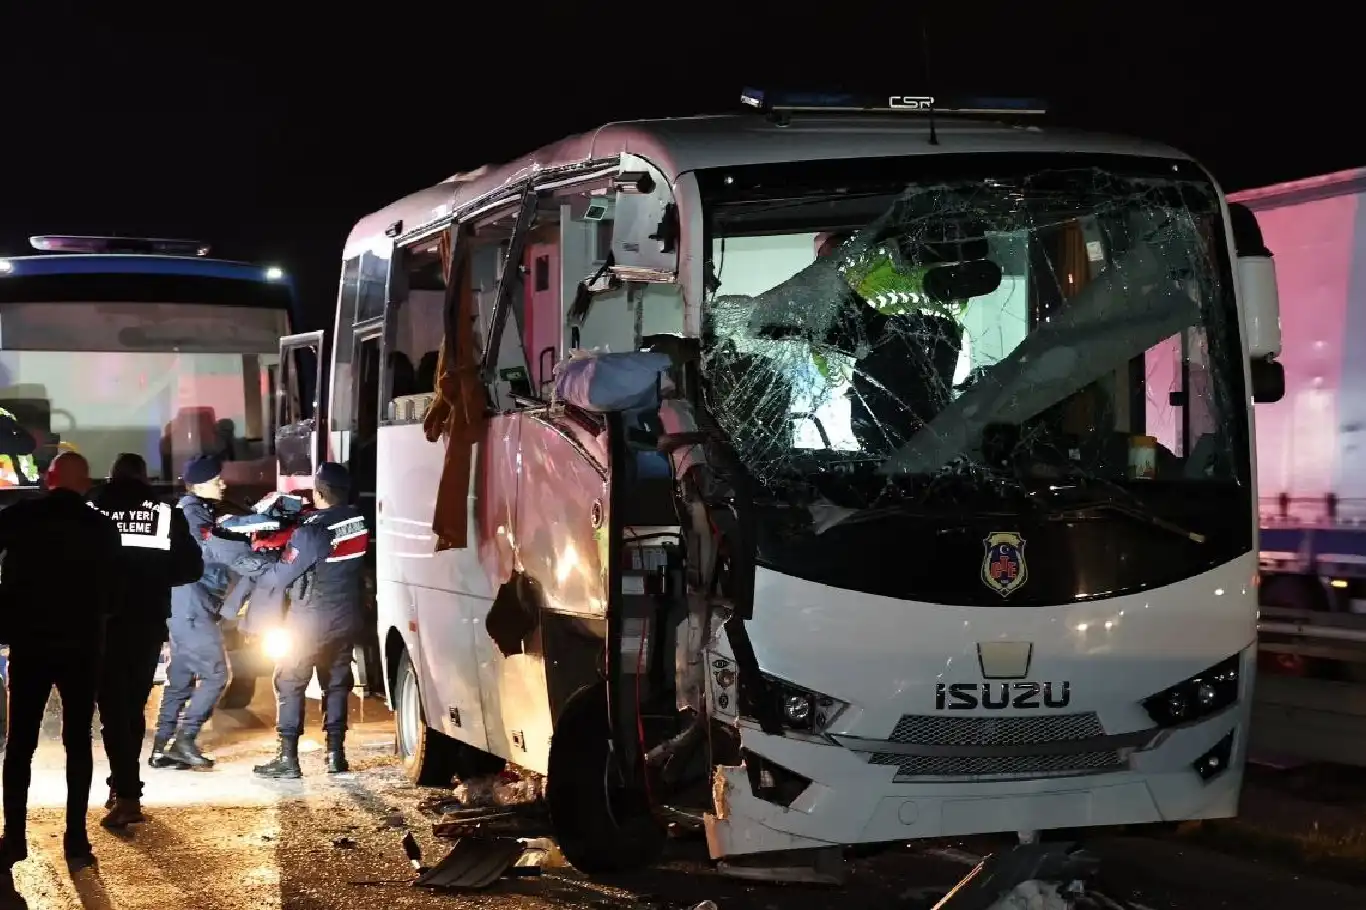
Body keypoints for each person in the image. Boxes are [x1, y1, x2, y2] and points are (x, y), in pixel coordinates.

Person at [0, 452, 122, 871]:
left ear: (49, 479)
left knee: (20, 745)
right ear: (85, 483)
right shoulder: (101, 527)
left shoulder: (21, 517)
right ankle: (76, 838)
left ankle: (13, 837)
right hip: (82, 645)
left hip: (30, 642)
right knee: (77, 743)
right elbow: (113, 587)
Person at [90, 453, 204, 828]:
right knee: (133, 708)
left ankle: (124, 792)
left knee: (111, 711)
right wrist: (154, 577)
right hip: (146, 623)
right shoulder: (166, 514)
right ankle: (124, 787)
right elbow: (191, 568)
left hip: (101, 623)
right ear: (143, 478)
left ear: (111, 476)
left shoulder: (92, 510)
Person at [247, 463, 369, 779]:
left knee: (289, 681)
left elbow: (282, 574)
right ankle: (335, 755)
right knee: (337, 684)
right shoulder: (357, 520)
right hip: (346, 617)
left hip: (310, 621)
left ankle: (287, 758)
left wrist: (258, 561)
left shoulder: (311, 530)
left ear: (318, 492)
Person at [152, 454, 254, 770]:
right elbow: (213, 548)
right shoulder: (192, 513)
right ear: (198, 485)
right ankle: (185, 739)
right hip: (192, 605)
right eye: (216, 480)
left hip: (186, 606)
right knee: (217, 674)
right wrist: (253, 549)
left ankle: (161, 748)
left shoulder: (198, 510)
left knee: (181, 679)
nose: (223, 484)